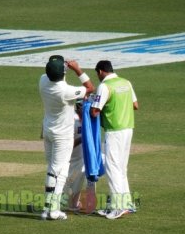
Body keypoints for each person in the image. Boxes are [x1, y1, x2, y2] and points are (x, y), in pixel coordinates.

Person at [39, 55, 94, 220]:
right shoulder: (65, 91)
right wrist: (77, 69)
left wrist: (60, 68)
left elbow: (53, 74)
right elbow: (90, 88)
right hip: (62, 135)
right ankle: (54, 210)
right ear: (63, 73)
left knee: (51, 169)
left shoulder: (42, 80)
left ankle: (47, 207)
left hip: (48, 130)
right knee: (60, 171)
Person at [90, 60, 138, 220]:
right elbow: (135, 105)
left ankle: (119, 207)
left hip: (114, 131)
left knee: (112, 168)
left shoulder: (105, 86)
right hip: (128, 128)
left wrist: (88, 106)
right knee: (121, 168)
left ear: (101, 71)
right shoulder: (126, 82)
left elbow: (95, 112)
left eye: (97, 73)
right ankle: (127, 203)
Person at [61, 99, 97, 214]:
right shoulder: (72, 121)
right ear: (80, 107)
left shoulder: (89, 119)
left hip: (86, 157)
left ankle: (90, 204)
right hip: (73, 159)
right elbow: (66, 145)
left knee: (92, 177)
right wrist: (83, 138)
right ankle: (71, 204)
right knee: (73, 183)